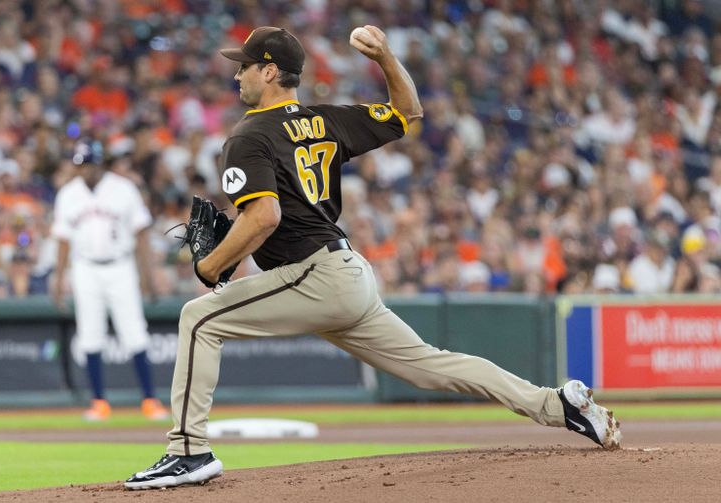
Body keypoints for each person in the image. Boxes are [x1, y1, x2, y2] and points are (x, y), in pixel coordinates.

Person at [125, 25, 622, 490]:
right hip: (347, 274)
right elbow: (408, 112)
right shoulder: (326, 119)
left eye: (245, 66)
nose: (237, 75)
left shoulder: (248, 136)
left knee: (197, 318)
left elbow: (264, 218)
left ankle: (189, 450)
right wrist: (385, 57)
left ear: (270, 72)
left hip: (315, 275)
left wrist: (210, 267)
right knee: (433, 366)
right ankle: (560, 406)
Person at [51, 137, 169, 421]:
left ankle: (150, 400)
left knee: (134, 332)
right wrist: (58, 279)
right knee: (90, 335)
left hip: (121, 266)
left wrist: (148, 276)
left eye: (89, 164)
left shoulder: (123, 189)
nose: (84, 170)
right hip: (85, 268)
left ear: (100, 163)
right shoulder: (68, 194)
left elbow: (141, 235)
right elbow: (63, 241)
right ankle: (98, 402)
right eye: (80, 165)